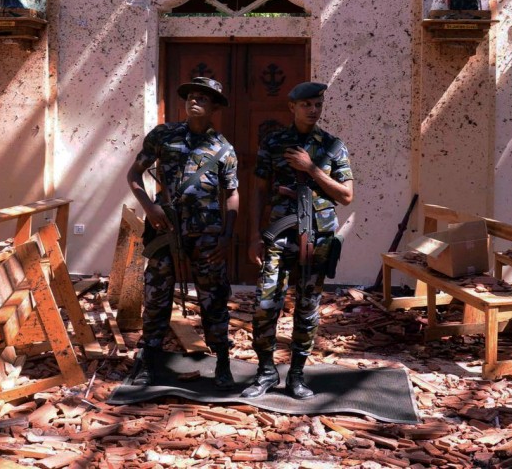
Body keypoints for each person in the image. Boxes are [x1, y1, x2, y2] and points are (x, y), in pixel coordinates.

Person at [125, 77, 239, 389]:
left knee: (213, 298)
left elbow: (232, 194)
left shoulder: (223, 149)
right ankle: (149, 360)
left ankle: (223, 364)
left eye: (203, 97)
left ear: (215, 106)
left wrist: (228, 237)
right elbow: (134, 174)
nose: (194, 100)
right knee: (157, 295)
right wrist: (150, 208)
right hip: (165, 228)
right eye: (190, 95)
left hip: (207, 235)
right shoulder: (163, 135)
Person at [242, 82, 353, 400]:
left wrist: (312, 169)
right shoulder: (274, 143)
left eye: (317, 103)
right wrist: (253, 236)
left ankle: (297, 375)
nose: (313, 109)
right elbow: (259, 190)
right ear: (292, 107)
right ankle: (265, 372)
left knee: (307, 309)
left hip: (317, 238)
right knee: (266, 306)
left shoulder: (333, 146)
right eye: (306, 104)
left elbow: (346, 195)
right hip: (278, 236)